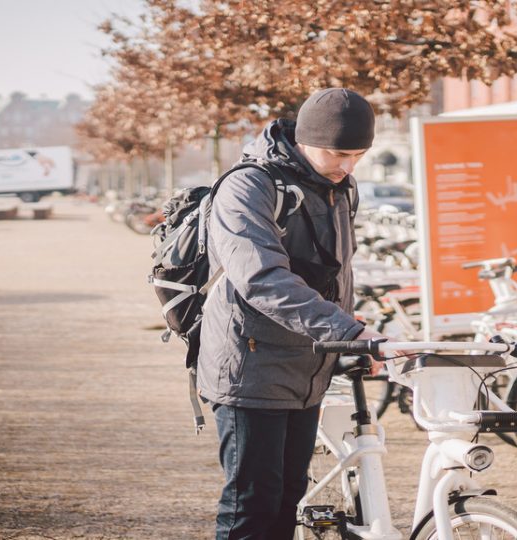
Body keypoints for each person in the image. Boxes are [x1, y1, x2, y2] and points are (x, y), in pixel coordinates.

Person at [198, 88, 388, 540]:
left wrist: (351, 335)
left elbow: (337, 276)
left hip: (307, 371)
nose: (348, 166)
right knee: (251, 508)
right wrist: (349, 331)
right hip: (249, 370)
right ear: (305, 140)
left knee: (287, 501)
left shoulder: (340, 188)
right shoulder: (247, 186)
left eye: (359, 155)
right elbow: (261, 277)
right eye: (338, 153)